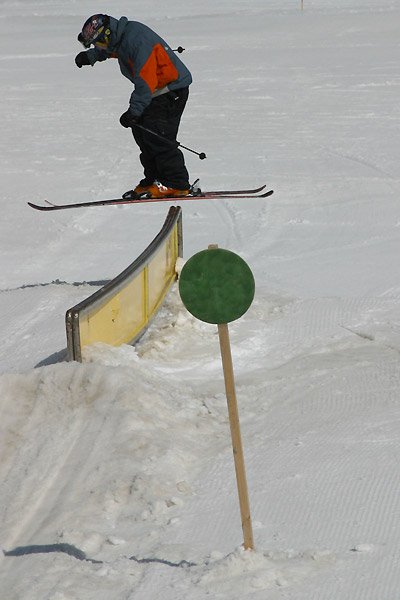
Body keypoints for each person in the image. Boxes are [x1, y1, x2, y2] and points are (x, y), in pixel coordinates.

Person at [75, 14, 192, 199]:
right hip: (156, 92)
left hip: (171, 91)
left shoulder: (136, 41)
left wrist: (134, 111)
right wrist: (90, 56)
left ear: (106, 34)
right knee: (142, 134)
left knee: (158, 137)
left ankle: (176, 184)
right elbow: (110, 49)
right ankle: (155, 179)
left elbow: (145, 81)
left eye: (98, 43)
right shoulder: (120, 37)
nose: (99, 46)